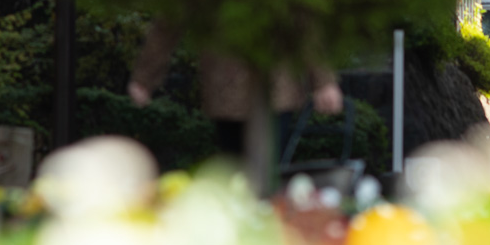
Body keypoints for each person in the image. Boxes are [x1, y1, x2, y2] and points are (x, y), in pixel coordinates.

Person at [127, 18, 342, 156]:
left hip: (273, 85)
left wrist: (323, 81)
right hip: (228, 85)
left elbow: (302, 20)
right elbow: (170, 20)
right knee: (237, 168)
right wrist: (144, 78)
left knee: (261, 172)